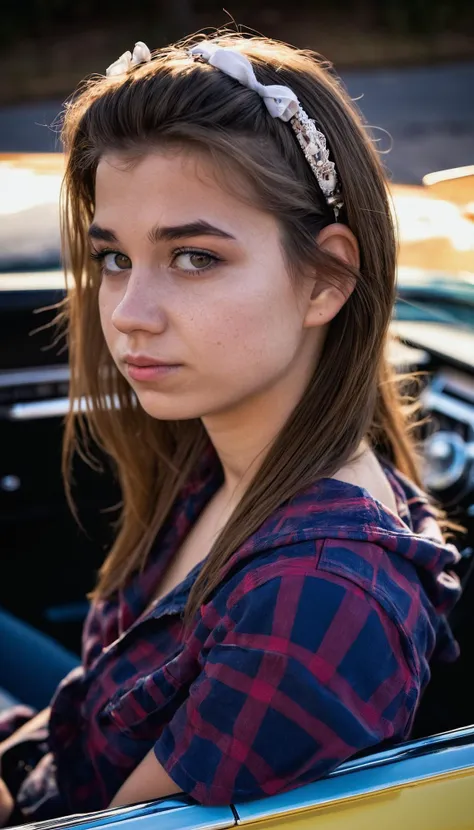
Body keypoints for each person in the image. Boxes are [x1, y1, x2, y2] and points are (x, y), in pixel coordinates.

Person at [0, 31, 461, 825]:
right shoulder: (215, 446)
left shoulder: (314, 603)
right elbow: (91, 709)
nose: (129, 316)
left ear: (327, 278)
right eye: (115, 258)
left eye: (195, 258)